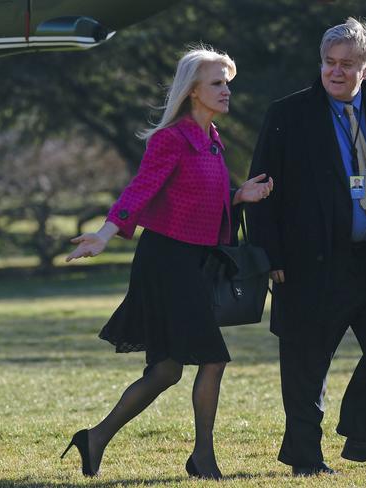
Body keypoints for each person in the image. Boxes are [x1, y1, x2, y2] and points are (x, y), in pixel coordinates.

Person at [61, 46, 273, 480]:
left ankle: (95, 438)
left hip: (192, 262)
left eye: (226, 82)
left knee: (166, 370)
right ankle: (203, 460)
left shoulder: (212, 140)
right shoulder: (171, 139)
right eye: (217, 83)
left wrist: (238, 196)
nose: (226, 90)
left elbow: (195, 201)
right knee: (212, 359)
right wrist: (104, 235)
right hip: (166, 262)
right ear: (192, 91)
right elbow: (139, 192)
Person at [247, 18, 366, 476]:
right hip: (309, 261)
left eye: (347, 64)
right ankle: (305, 458)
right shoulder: (289, 114)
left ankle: (363, 435)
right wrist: (269, 256)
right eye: (329, 62)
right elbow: (262, 187)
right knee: (306, 362)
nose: (335, 71)